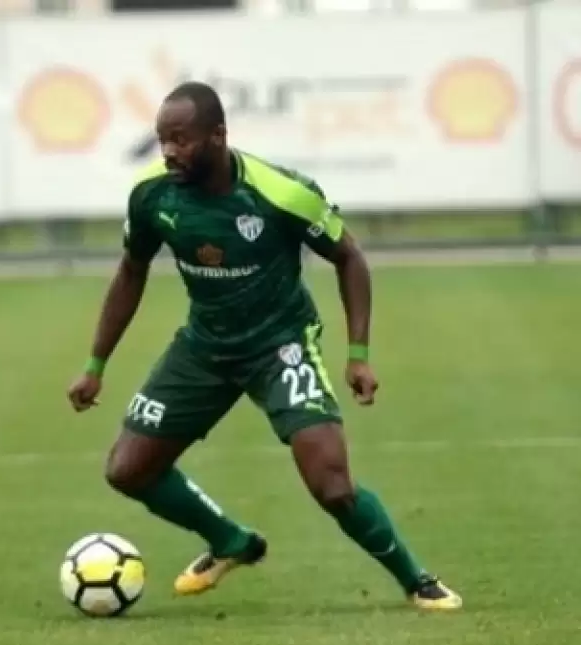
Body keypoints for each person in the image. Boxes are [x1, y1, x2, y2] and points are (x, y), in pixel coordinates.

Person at [66, 81, 461, 611]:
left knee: (333, 486)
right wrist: (96, 364)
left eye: (180, 139)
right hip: (204, 346)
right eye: (162, 140)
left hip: (281, 346)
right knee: (127, 469)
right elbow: (131, 271)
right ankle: (231, 541)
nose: (169, 152)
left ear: (217, 135)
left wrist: (358, 355)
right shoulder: (151, 195)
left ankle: (417, 580)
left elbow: (349, 257)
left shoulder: (282, 193)